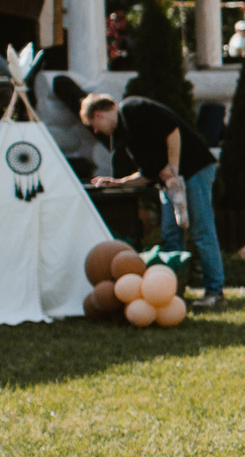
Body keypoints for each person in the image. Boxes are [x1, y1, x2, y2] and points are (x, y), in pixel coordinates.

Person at [82, 92, 224, 310]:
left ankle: (215, 293)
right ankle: (173, 292)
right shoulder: (126, 135)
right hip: (168, 183)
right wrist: (117, 183)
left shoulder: (132, 108)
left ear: (99, 115)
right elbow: (147, 174)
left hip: (194, 171)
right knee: (170, 234)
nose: (95, 131)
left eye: (93, 125)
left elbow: (172, 131)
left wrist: (173, 168)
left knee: (200, 231)